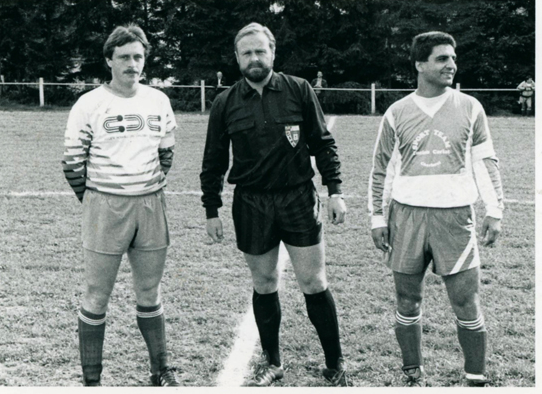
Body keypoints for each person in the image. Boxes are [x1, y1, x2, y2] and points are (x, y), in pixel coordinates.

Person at [200, 22, 348, 387]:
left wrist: (335, 190)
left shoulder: (299, 89)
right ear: (237, 58)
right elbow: (213, 161)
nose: (254, 58)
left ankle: (335, 363)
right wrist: (211, 210)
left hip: (298, 197)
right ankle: (272, 362)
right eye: (246, 53)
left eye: (260, 51)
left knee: (313, 281)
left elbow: (323, 143)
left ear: (272, 53)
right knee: (264, 281)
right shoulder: (225, 102)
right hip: (251, 202)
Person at [368, 31, 504, 387]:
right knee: (407, 299)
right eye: (442, 58)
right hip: (407, 217)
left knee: (466, 300)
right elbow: (381, 169)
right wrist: (377, 217)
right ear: (419, 64)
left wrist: (494, 210)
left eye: (453, 58)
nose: (451, 65)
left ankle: (475, 375)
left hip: (455, 217)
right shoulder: (397, 112)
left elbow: (485, 161)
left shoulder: (470, 107)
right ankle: (412, 370)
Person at [61, 24, 180, 387]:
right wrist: (97, 199)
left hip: (150, 206)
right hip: (105, 207)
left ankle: (160, 370)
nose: (132, 63)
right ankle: (92, 380)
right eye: (124, 57)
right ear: (109, 60)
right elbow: (72, 163)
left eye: (138, 57)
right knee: (97, 295)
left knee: (150, 292)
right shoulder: (89, 104)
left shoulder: (158, 100)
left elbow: (166, 154)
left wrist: (144, 187)